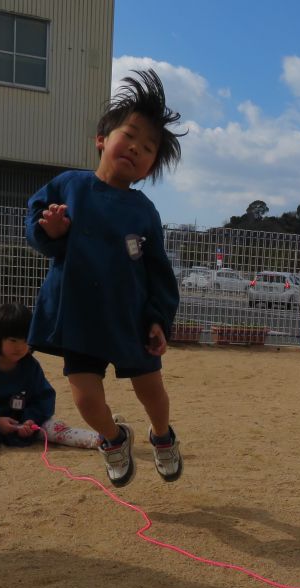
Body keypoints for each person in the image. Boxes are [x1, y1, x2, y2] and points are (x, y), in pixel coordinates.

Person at [24, 69, 184, 488]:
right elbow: (36, 224)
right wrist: (51, 231)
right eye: (129, 135)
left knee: (152, 391)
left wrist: (158, 319)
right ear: (102, 139)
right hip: (80, 315)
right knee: (85, 394)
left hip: (130, 318)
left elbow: (158, 271)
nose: (136, 148)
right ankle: (113, 440)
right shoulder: (68, 185)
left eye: (148, 148)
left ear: (149, 169)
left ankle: (163, 436)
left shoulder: (143, 211)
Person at [0, 303, 100, 464]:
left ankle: (100, 439)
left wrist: (30, 420)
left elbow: (44, 397)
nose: (20, 347)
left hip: (26, 423)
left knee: (55, 428)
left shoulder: (31, 366)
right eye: (13, 340)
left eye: (26, 340)